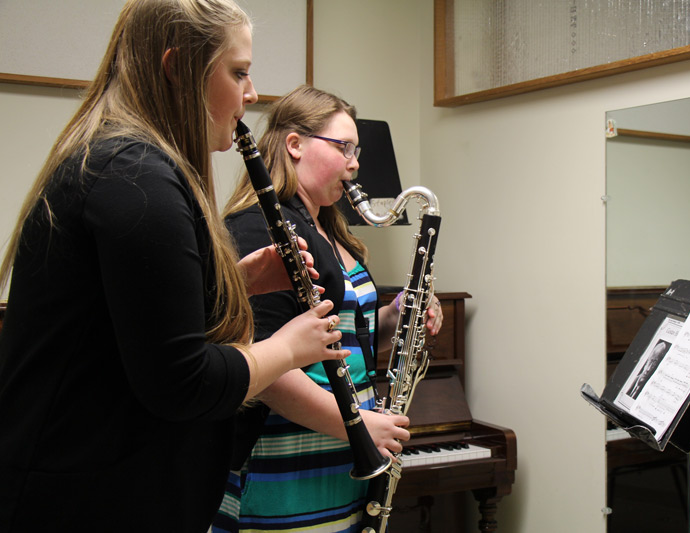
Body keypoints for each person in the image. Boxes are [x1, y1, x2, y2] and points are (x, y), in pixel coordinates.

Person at [0, 2, 348, 532]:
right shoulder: (136, 178)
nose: (251, 94)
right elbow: (183, 381)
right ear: (177, 66)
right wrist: (288, 348)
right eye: (238, 72)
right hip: (86, 499)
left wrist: (244, 281)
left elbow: (128, 317)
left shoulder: (127, 162)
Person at [212, 85, 444, 532]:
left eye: (357, 151)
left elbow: (348, 329)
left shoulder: (328, 227)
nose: (355, 164)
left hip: (341, 452)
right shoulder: (261, 227)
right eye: (344, 148)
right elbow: (265, 366)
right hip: (286, 459)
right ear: (295, 145)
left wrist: (401, 312)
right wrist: (358, 428)